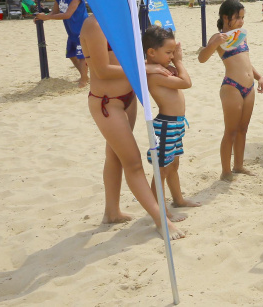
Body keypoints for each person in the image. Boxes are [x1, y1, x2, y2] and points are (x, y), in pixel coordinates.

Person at [79, 16, 185, 239]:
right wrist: (147, 68)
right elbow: (102, 71)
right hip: (107, 103)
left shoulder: (122, 17)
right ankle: (160, 221)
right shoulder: (95, 24)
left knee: (115, 156)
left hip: (127, 98)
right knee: (134, 163)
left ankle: (112, 211)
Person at [198, 0, 263, 180]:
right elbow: (201, 58)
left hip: (249, 87)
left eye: (243, 17)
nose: (241, 21)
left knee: (243, 129)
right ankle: (225, 171)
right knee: (231, 131)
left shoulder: (241, 35)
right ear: (226, 17)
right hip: (232, 87)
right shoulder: (218, 37)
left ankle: (239, 166)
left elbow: (246, 61)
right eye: (238, 18)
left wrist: (258, 77)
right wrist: (213, 44)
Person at [143, 26, 201, 212]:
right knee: (161, 170)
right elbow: (186, 83)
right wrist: (180, 62)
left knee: (173, 165)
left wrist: (172, 62)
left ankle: (178, 200)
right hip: (166, 125)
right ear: (152, 52)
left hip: (176, 125)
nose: (171, 56)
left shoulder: (163, 69)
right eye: (168, 52)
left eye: (173, 52)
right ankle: (160, 210)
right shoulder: (155, 74)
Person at [36, 0, 89, 87]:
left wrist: (48, 17)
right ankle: (84, 75)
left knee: (81, 56)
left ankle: (84, 80)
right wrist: (42, 17)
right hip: (71, 30)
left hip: (81, 29)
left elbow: (67, 14)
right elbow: (54, 12)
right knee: (71, 54)